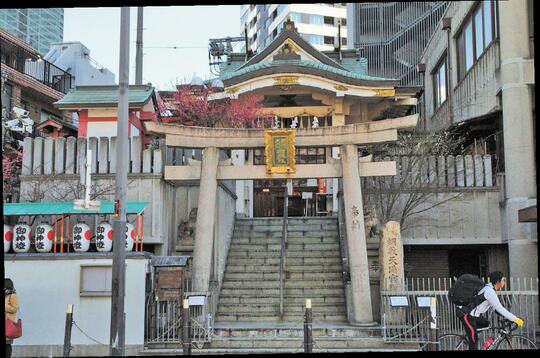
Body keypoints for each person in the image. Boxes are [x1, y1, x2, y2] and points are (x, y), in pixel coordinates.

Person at [456, 271, 524, 350]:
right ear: (498, 281)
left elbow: (496, 309)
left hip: (473, 315)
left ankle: (470, 335)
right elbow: (500, 308)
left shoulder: (489, 289)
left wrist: (506, 317)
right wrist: (515, 318)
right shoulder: (489, 291)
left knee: (485, 324)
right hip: (466, 314)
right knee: (474, 341)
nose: (504, 282)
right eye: (503, 280)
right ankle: (471, 336)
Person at [5, 278, 19, 358]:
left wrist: (5, 306)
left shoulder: (13, 295)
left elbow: (14, 308)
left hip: (8, 324)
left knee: (7, 344)